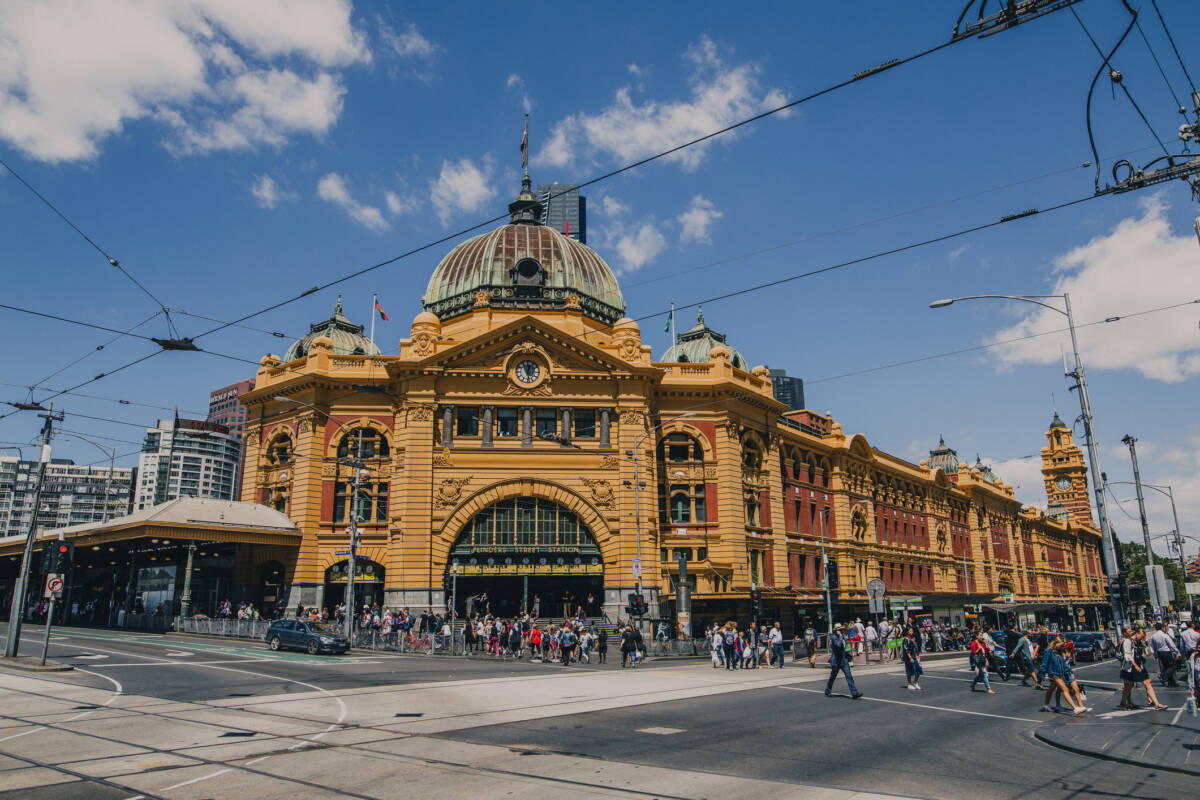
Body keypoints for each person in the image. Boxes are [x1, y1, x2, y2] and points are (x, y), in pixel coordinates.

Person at [1119, 626, 1168, 710]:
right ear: (1137, 634)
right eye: (1141, 636)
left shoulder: (1140, 642)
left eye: (1143, 637)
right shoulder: (1128, 641)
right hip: (1130, 667)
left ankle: (1156, 703)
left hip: (1140, 665)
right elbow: (1127, 656)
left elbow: (1148, 653)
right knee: (1129, 685)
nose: (1142, 638)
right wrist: (1135, 665)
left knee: (1148, 683)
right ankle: (1123, 702)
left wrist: (1147, 643)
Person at [1042, 638, 1086, 714]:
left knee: (1053, 689)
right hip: (1054, 673)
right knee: (1065, 689)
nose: (1062, 646)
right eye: (1061, 645)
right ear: (1056, 644)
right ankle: (1075, 708)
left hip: (1061, 673)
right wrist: (1042, 674)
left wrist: (1069, 671)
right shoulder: (1048, 651)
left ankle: (1048, 705)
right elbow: (1044, 663)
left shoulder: (1059, 651)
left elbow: (1064, 664)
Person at [824, 623, 862, 699]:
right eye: (840, 629)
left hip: (843, 660)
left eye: (841, 629)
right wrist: (841, 636)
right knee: (832, 677)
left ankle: (854, 693)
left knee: (849, 676)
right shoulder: (834, 637)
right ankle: (827, 690)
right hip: (836, 661)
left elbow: (844, 647)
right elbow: (838, 645)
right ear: (836, 630)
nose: (841, 630)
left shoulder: (843, 635)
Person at [1149, 622, 1181, 688]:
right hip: (1166, 652)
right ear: (1162, 628)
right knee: (1172, 667)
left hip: (1160, 653)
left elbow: (1152, 646)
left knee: (1166, 667)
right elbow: (1171, 645)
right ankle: (1163, 676)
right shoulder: (1164, 635)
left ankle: (1171, 683)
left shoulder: (1153, 636)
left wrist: (1155, 654)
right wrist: (1177, 652)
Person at [902, 626, 922, 690]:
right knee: (909, 670)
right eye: (910, 631)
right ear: (907, 632)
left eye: (912, 631)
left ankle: (915, 682)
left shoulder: (913, 639)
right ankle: (909, 684)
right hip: (909, 657)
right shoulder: (906, 639)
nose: (912, 632)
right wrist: (910, 657)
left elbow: (916, 648)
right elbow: (906, 649)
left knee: (918, 670)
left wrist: (918, 655)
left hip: (915, 656)